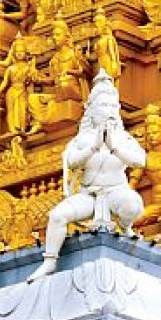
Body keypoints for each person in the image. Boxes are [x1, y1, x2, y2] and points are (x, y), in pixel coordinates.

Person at [27, 70, 145, 281]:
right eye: (103, 105)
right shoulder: (84, 138)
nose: (108, 110)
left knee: (133, 206)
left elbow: (139, 161)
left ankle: (126, 227)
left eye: (111, 106)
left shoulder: (124, 138)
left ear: (117, 109)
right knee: (56, 216)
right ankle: (50, 261)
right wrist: (94, 146)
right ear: (91, 109)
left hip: (116, 192)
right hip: (89, 195)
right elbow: (72, 162)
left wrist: (113, 147)